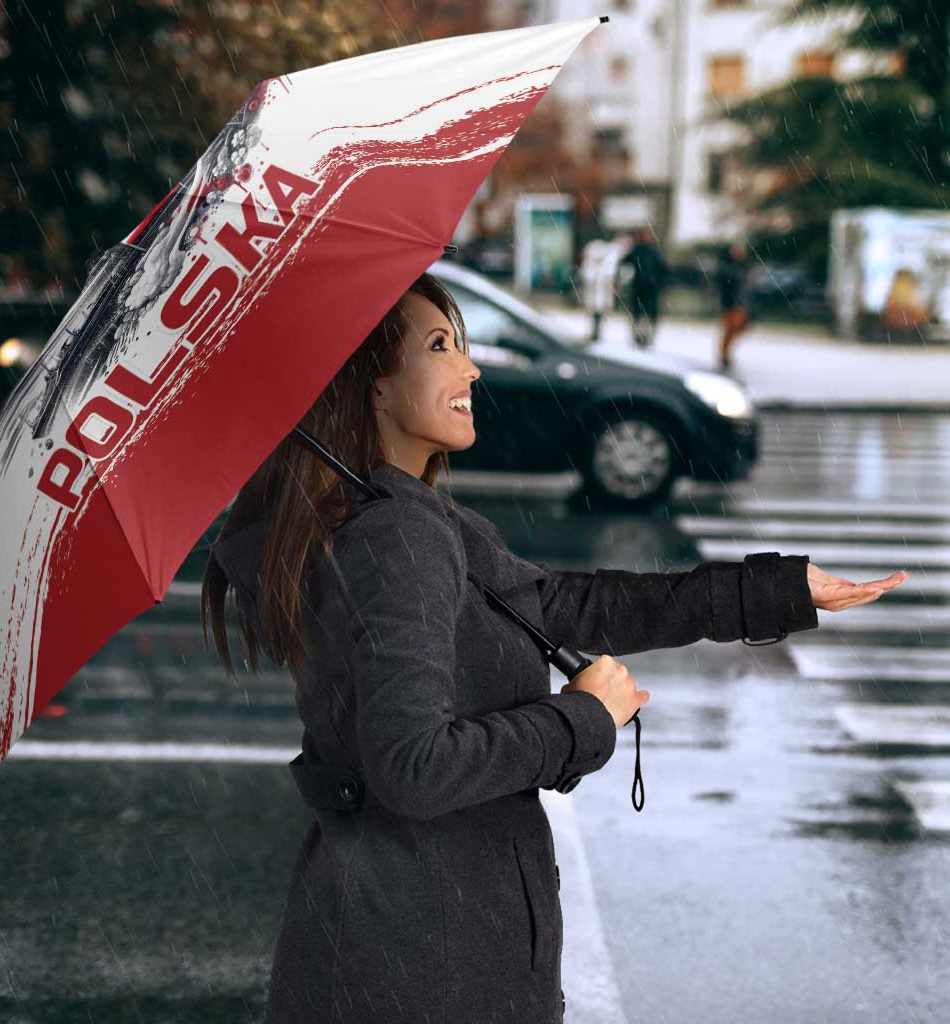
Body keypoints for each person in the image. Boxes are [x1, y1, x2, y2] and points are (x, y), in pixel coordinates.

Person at [202, 272, 906, 1024]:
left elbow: (568, 605)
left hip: (410, 943)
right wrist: (581, 719)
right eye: (440, 346)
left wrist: (776, 590)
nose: (470, 368)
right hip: (422, 963)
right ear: (371, 388)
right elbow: (413, 768)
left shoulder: (406, 519)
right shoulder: (395, 537)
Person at [618, 226, 668, 349]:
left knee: (646, 315)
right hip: (641, 288)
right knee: (639, 314)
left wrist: (661, 284)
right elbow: (624, 264)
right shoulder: (638, 251)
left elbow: (662, 270)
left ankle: (645, 337)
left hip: (649, 288)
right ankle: (639, 337)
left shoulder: (651, 252)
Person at [716, 239, 752, 370]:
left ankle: (725, 354)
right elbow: (725, 286)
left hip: (740, 303)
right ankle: (724, 355)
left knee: (738, 328)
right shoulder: (728, 267)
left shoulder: (743, 266)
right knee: (730, 329)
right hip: (731, 303)